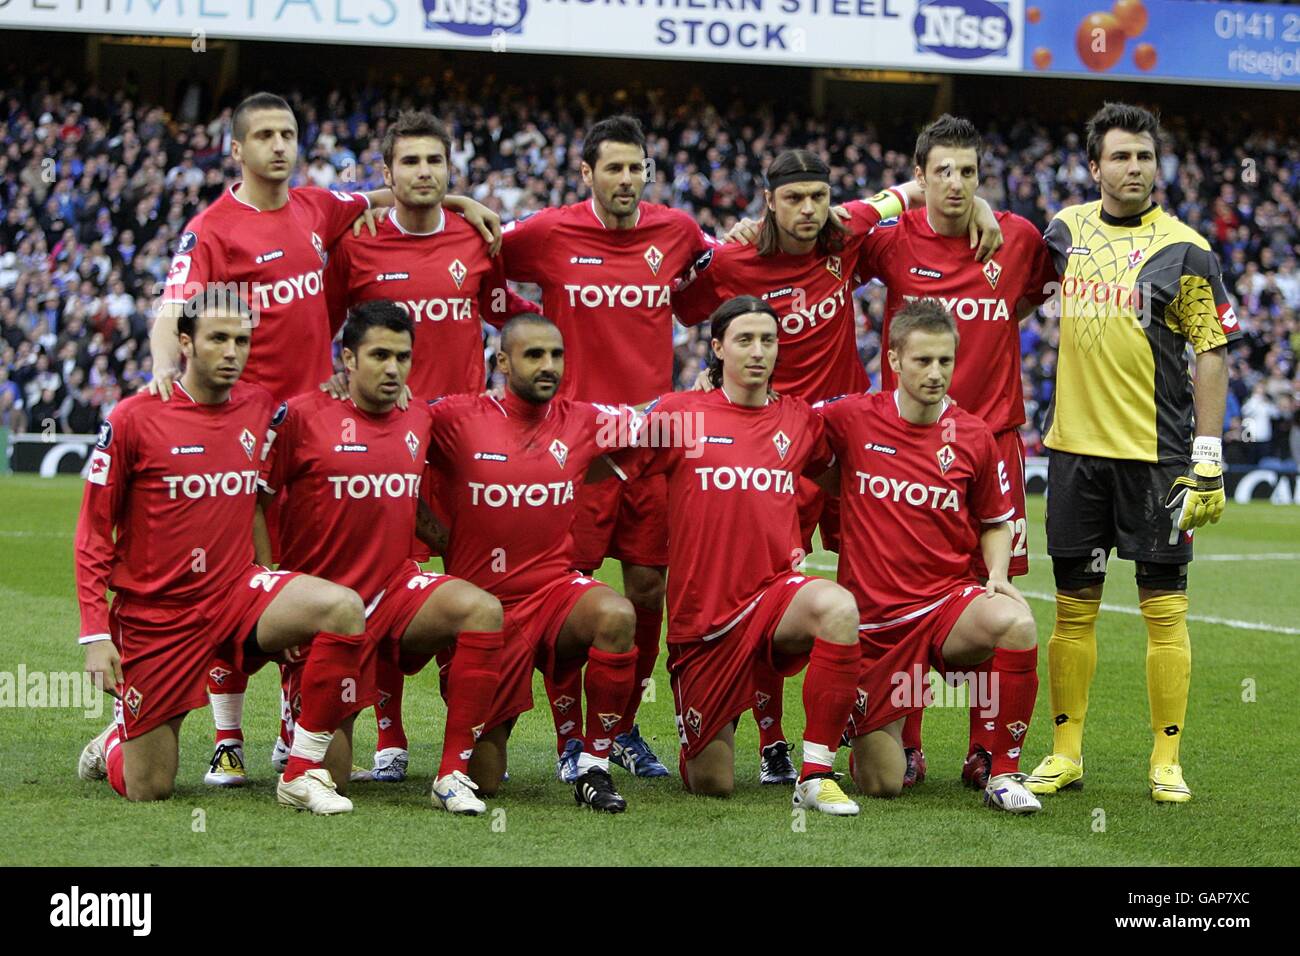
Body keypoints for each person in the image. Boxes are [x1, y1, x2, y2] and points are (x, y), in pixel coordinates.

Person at [672, 149, 1003, 782]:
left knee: (889, 586)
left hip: (849, 442)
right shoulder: (736, 260)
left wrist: (979, 203)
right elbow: (686, 303)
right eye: (792, 199)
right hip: (778, 443)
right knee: (769, 587)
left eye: (816, 198)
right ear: (768, 200)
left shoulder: (846, 230)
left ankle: (897, 734)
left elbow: (911, 191)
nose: (807, 211)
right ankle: (768, 736)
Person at [151, 91, 389, 786]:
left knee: (301, 576)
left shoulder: (317, 207)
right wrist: (167, 366)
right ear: (237, 149)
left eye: (288, 133)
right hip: (245, 435)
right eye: (263, 135)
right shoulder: (214, 229)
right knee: (240, 575)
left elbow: (383, 195)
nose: (279, 146)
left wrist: (462, 205)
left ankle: (293, 725)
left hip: (315, 432)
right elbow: (173, 307)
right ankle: (228, 737)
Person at [75, 287, 370, 815]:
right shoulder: (132, 419)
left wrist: (336, 388)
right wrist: (96, 636)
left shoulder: (260, 407)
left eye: (241, 340)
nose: (232, 352)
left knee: (342, 607)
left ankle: (300, 770)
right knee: (150, 787)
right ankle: (114, 742)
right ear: (186, 342)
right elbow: (93, 536)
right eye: (218, 339)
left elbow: (312, 428)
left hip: (237, 592)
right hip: (157, 614)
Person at [1025, 103, 1240, 803]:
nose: (1134, 168)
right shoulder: (1063, 231)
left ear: (1158, 165)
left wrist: (1207, 454)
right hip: (1075, 454)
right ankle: (1065, 754)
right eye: (1120, 156)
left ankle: (1166, 761)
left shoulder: (1187, 248)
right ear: (1095, 168)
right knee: (1072, 609)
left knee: (1165, 609)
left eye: (1144, 156)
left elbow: (1212, 350)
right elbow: (1004, 283)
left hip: (1157, 458)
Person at [493, 115, 718, 781]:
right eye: (612, 168)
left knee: (648, 587)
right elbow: (476, 263)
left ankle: (620, 726)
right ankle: (570, 737)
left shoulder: (675, 232)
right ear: (585, 174)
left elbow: (702, 294)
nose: (625, 179)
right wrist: (523, 330)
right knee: (572, 589)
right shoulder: (548, 231)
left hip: (651, 440)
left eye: (635, 167)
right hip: (578, 446)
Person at [322, 109, 535, 784]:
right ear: (386, 174)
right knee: (383, 583)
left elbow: (507, 316)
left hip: (468, 447)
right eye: (409, 162)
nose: (423, 173)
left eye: (434, 163)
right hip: (387, 445)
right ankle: (389, 733)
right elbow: (323, 330)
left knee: (469, 587)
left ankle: (462, 742)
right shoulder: (356, 245)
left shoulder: (478, 240)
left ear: (451, 172)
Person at [855, 115, 1058, 791]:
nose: (954, 183)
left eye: (967, 172)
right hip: (903, 444)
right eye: (940, 170)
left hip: (991, 438)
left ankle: (985, 751)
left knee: (994, 591)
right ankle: (905, 741)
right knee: (907, 586)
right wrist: (893, 199)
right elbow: (831, 235)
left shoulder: (1019, 238)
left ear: (982, 177)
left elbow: (1023, 301)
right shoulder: (891, 242)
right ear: (918, 175)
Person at [613, 295, 862, 815]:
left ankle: (815, 772)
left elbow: (841, 476)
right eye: (745, 340)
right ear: (718, 347)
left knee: (837, 607)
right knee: (713, 783)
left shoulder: (798, 420)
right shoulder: (679, 414)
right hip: (702, 618)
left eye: (768, 340)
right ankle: (702, 735)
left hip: (775, 594)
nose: (758, 352)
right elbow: (613, 458)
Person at [258, 300, 505, 813]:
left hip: (395, 592)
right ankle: (291, 732)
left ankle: (451, 775)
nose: (392, 368)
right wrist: (270, 589)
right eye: (378, 355)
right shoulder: (301, 416)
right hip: (323, 610)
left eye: (403, 356)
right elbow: (255, 501)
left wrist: (448, 541)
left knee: (481, 609)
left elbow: (406, 496)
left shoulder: (419, 415)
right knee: (336, 777)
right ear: (347, 359)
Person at [814, 298, 1041, 814]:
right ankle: (863, 720)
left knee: (1016, 623)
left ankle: (1003, 772)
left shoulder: (974, 434)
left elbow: (994, 520)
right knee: (882, 784)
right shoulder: (849, 418)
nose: (936, 373)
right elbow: (783, 422)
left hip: (944, 607)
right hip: (873, 624)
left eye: (945, 361)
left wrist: (1000, 574)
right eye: (922, 361)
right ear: (893, 359)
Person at [419, 313, 639, 812]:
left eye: (556, 355)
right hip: (483, 611)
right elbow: (390, 444)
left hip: (555, 593)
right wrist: (434, 533)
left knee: (617, 614)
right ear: (502, 362)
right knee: (487, 778)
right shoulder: (454, 417)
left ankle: (594, 767)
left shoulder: (583, 420)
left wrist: (701, 394)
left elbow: (654, 420)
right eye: (534, 355)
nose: (549, 366)